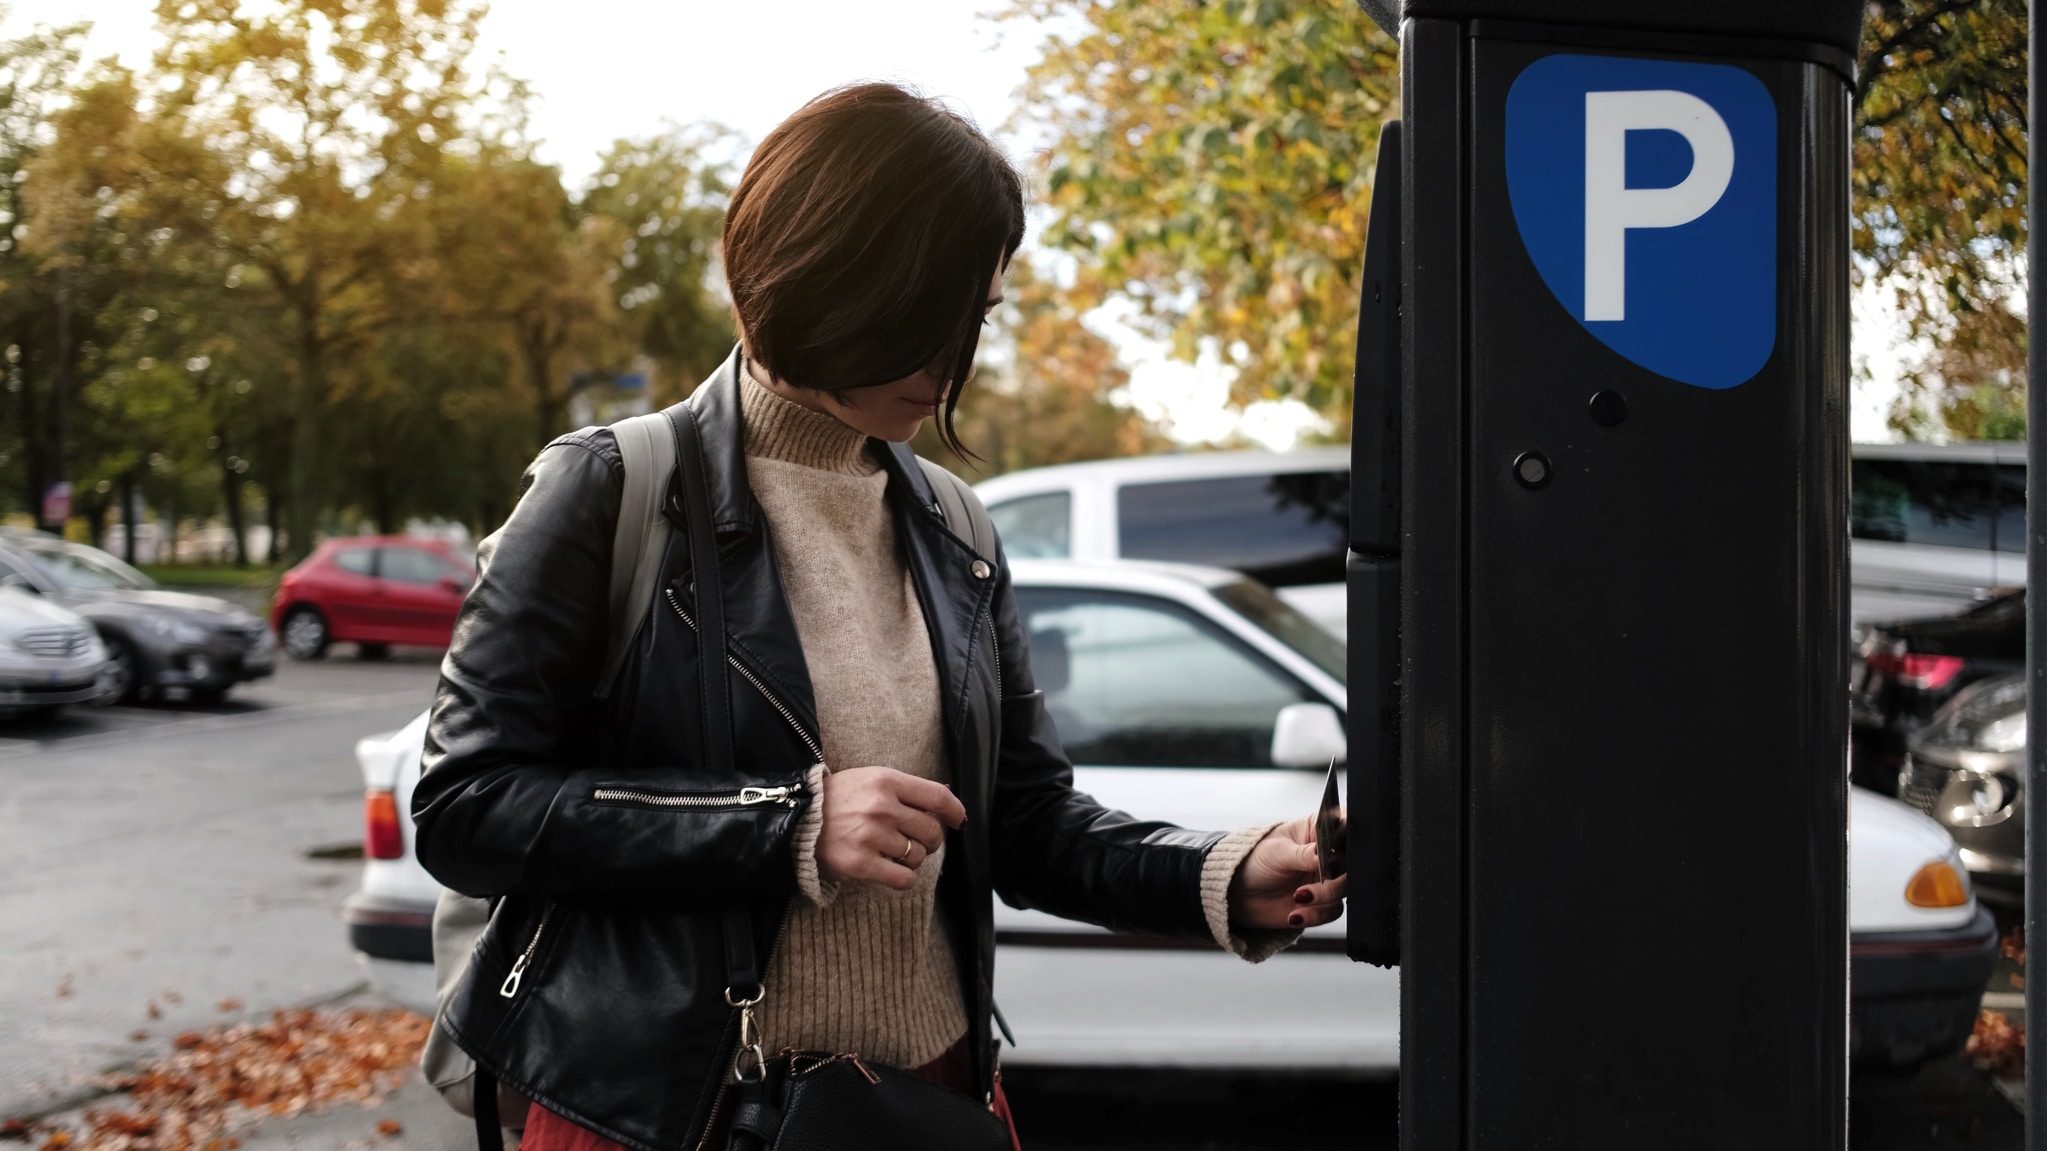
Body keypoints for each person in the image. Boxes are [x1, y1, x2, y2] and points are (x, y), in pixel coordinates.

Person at [411, 82, 1346, 1151]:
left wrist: (1215, 872)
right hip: (667, 1114)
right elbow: (467, 803)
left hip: (921, 1105)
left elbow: (1025, 821)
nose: (952, 362)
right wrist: (786, 821)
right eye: (926, 315)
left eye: (977, 319)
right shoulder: (611, 488)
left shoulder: (953, 524)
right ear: (825, 277)